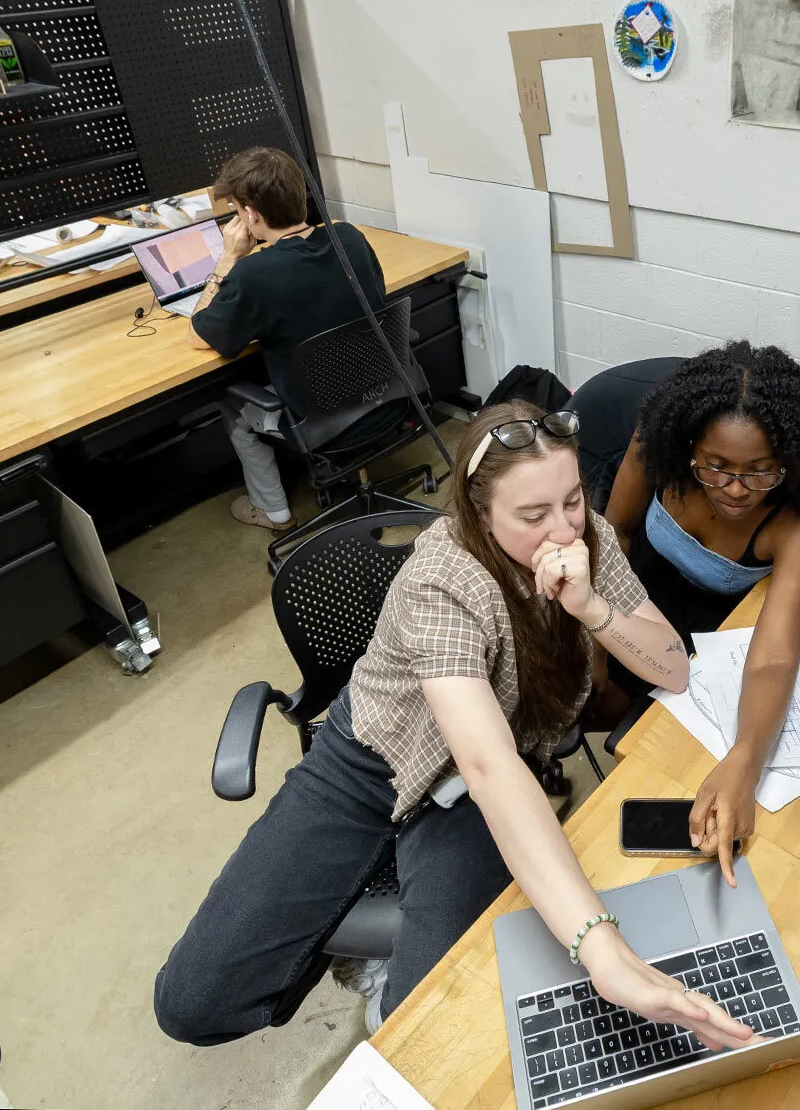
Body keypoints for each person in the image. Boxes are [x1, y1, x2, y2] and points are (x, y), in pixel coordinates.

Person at [154, 401, 759, 1049]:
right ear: (477, 514)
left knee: (426, 1028)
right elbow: (488, 765)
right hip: (376, 758)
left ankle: (382, 962)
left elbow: (671, 667)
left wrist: (590, 607)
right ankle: (333, 927)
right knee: (193, 1002)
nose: (561, 531)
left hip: (471, 789)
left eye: (573, 501)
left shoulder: (590, 542)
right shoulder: (440, 580)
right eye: (533, 515)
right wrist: (605, 953)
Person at [602, 342, 800, 878]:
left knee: (661, 755)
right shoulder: (658, 448)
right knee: (584, 701)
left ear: (789, 461)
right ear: (688, 446)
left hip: (706, 640)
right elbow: (616, 535)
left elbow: (773, 659)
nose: (736, 491)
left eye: (760, 472)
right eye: (714, 468)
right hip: (628, 596)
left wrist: (747, 754)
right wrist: (600, 632)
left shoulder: (798, 525)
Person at [189, 146, 388, 532]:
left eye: (235, 210)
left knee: (232, 406)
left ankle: (273, 511)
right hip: (383, 393)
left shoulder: (254, 274)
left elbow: (198, 335)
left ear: (251, 214)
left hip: (320, 420)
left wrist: (227, 261)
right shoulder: (349, 238)